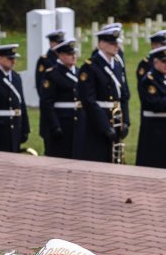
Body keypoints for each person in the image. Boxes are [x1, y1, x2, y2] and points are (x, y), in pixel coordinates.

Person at [75, 26, 129, 163]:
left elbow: (123, 95)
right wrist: (105, 126)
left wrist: (126, 121)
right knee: (97, 158)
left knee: (114, 160)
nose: (116, 46)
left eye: (117, 43)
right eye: (112, 43)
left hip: (116, 119)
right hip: (98, 121)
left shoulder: (117, 64)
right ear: (102, 44)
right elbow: (88, 100)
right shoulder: (90, 66)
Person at [0, 44, 29, 152]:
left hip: (15, 127)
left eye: (14, 58)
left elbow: (21, 104)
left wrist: (25, 128)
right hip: (0, 128)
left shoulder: (16, 77)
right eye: (10, 58)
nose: (13, 61)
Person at [39, 39, 80, 159]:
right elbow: (47, 102)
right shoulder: (52, 74)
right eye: (69, 54)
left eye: (74, 54)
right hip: (61, 120)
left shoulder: (78, 72)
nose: (73, 57)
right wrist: (55, 125)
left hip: (77, 121)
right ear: (61, 55)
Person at [35, 29, 65, 96]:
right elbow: (40, 82)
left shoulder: (64, 58)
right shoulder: (44, 60)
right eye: (58, 43)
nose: (60, 46)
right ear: (51, 44)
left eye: (61, 43)